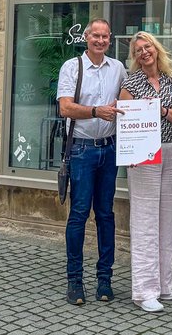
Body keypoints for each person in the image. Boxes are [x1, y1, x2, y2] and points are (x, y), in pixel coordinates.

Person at [56, 18, 125, 306]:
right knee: (79, 214)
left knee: (106, 215)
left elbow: (129, 102)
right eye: (95, 35)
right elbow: (65, 107)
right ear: (87, 38)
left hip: (109, 151)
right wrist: (97, 111)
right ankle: (75, 281)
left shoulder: (118, 68)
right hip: (82, 151)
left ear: (110, 39)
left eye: (105, 36)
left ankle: (105, 280)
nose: (100, 40)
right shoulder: (72, 67)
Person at [118, 31, 172, 312]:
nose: (144, 52)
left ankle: (164, 284)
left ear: (157, 49)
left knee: (168, 219)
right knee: (145, 219)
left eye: (147, 47)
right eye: (138, 50)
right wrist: (129, 153)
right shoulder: (131, 83)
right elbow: (123, 121)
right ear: (134, 56)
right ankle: (144, 290)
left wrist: (163, 111)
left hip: (170, 150)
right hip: (144, 154)